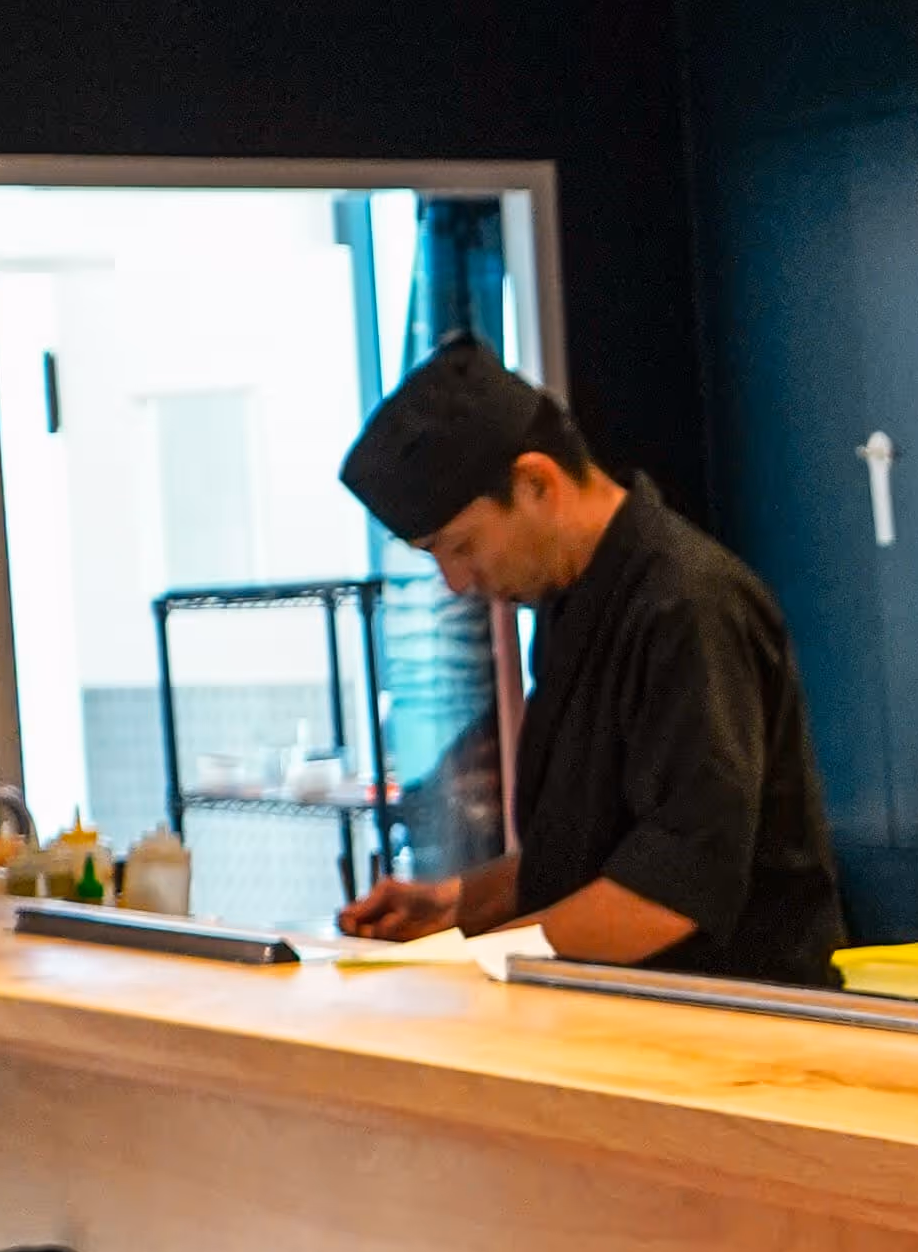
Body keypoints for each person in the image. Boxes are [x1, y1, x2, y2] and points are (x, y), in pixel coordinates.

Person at [333, 337, 847, 989]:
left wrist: (473, 961)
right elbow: (589, 853)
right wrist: (457, 906)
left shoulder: (688, 603)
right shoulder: (569, 603)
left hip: (743, 1017)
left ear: (537, 483)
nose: (458, 582)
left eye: (461, 547)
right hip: (629, 1011)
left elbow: (671, 891)